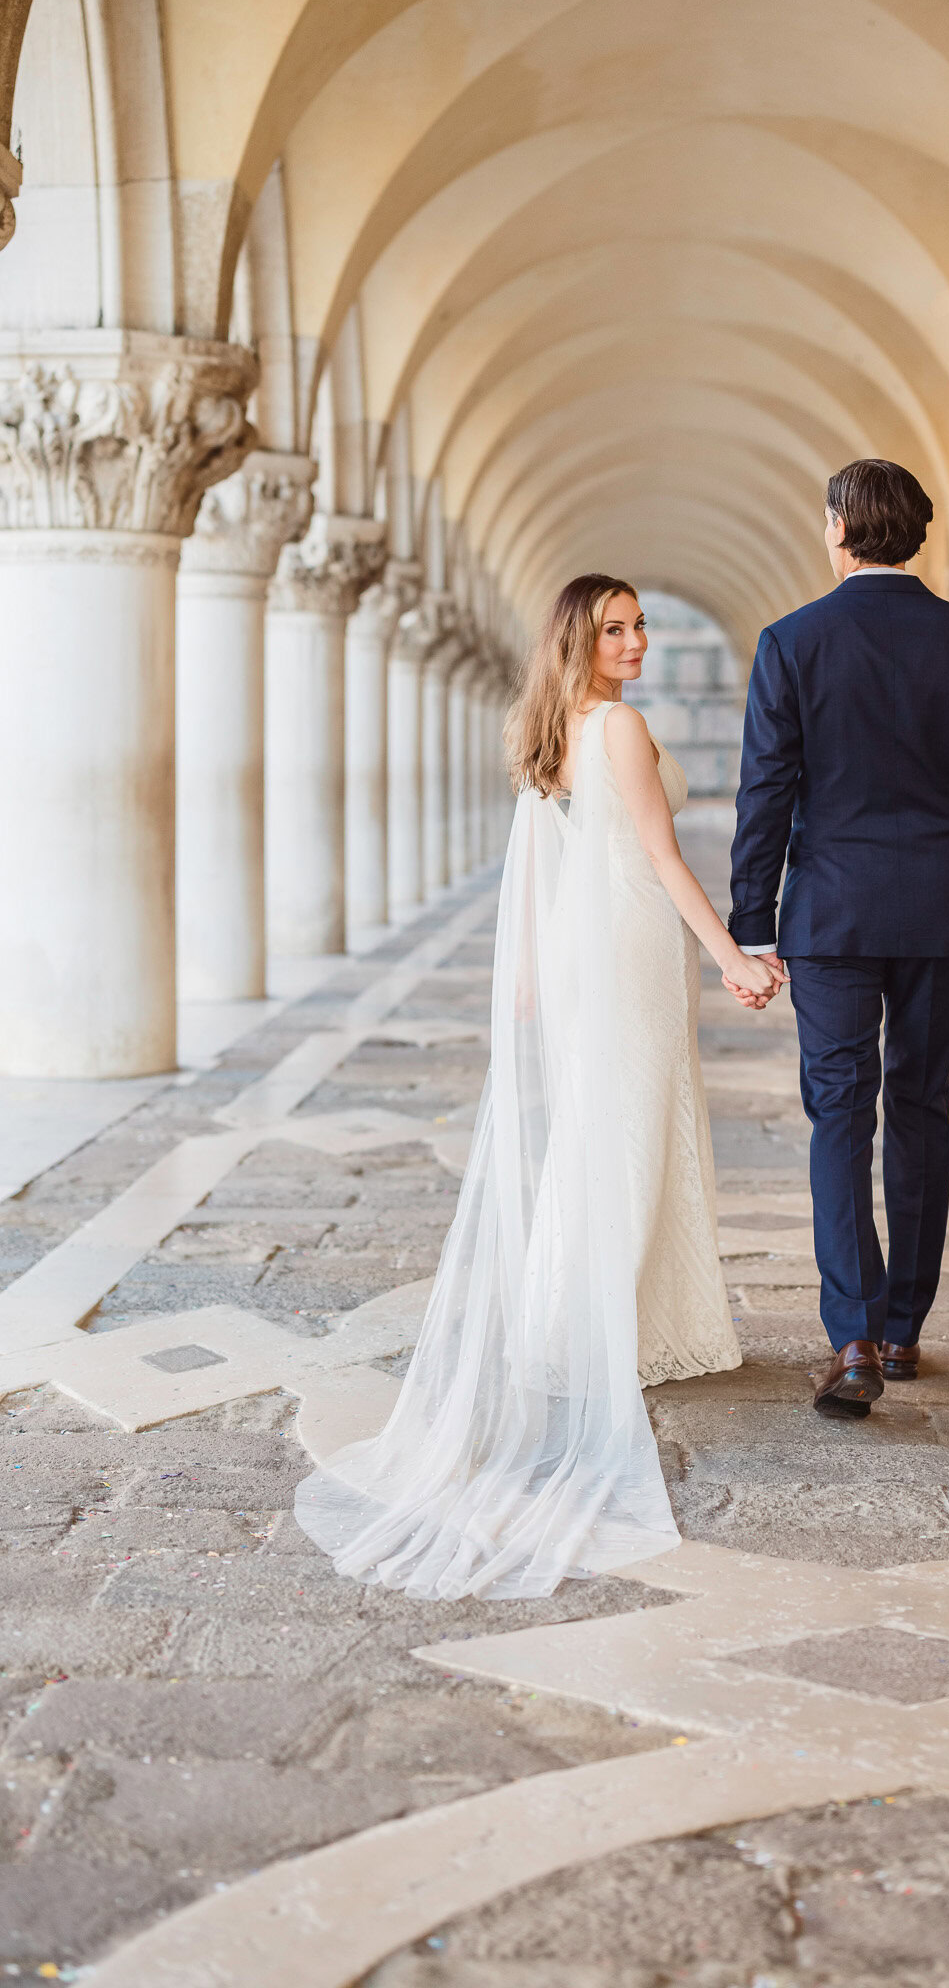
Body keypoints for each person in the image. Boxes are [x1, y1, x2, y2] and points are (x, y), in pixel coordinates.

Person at [296, 575, 781, 1600]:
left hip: (582, 947)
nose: (637, 640)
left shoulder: (552, 727)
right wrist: (734, 955)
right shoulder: (619, 727)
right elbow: (659, 855)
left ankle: (601, 1321)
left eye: (639, 624)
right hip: (628, 942)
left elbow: (551, 859)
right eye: (616, 628)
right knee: (632, 1130)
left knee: (601, 1132)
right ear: (580, 639)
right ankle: (581, 1327)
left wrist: (527, 973)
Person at [726, 459, 949, 1419]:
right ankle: (904, 1327)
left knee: (839, 1112)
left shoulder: (792, 643)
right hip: (938, 913)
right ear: (917, 533)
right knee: (920, 1106)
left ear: (837, 528)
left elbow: (765, 795)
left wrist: (753, 924)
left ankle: (854, 1336)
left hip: (828, 918)